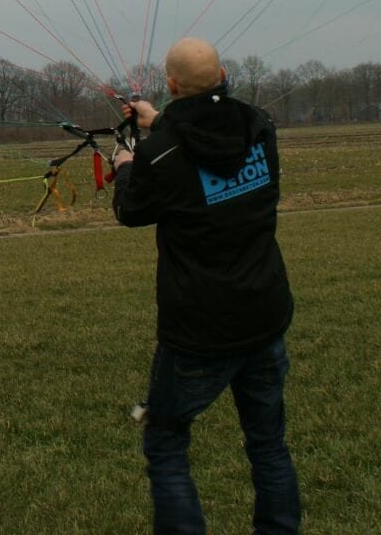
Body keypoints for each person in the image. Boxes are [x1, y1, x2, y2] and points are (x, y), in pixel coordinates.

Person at [112, 37, 300, 535]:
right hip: (264, 314)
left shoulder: (162, 155)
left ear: (171, 85)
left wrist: (127, 165)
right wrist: (159, 122)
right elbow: (208, 127)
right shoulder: (258, 127)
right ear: (222, 76)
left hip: (199, 331)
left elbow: (130, 212)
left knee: (166, 443)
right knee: (268, 444)